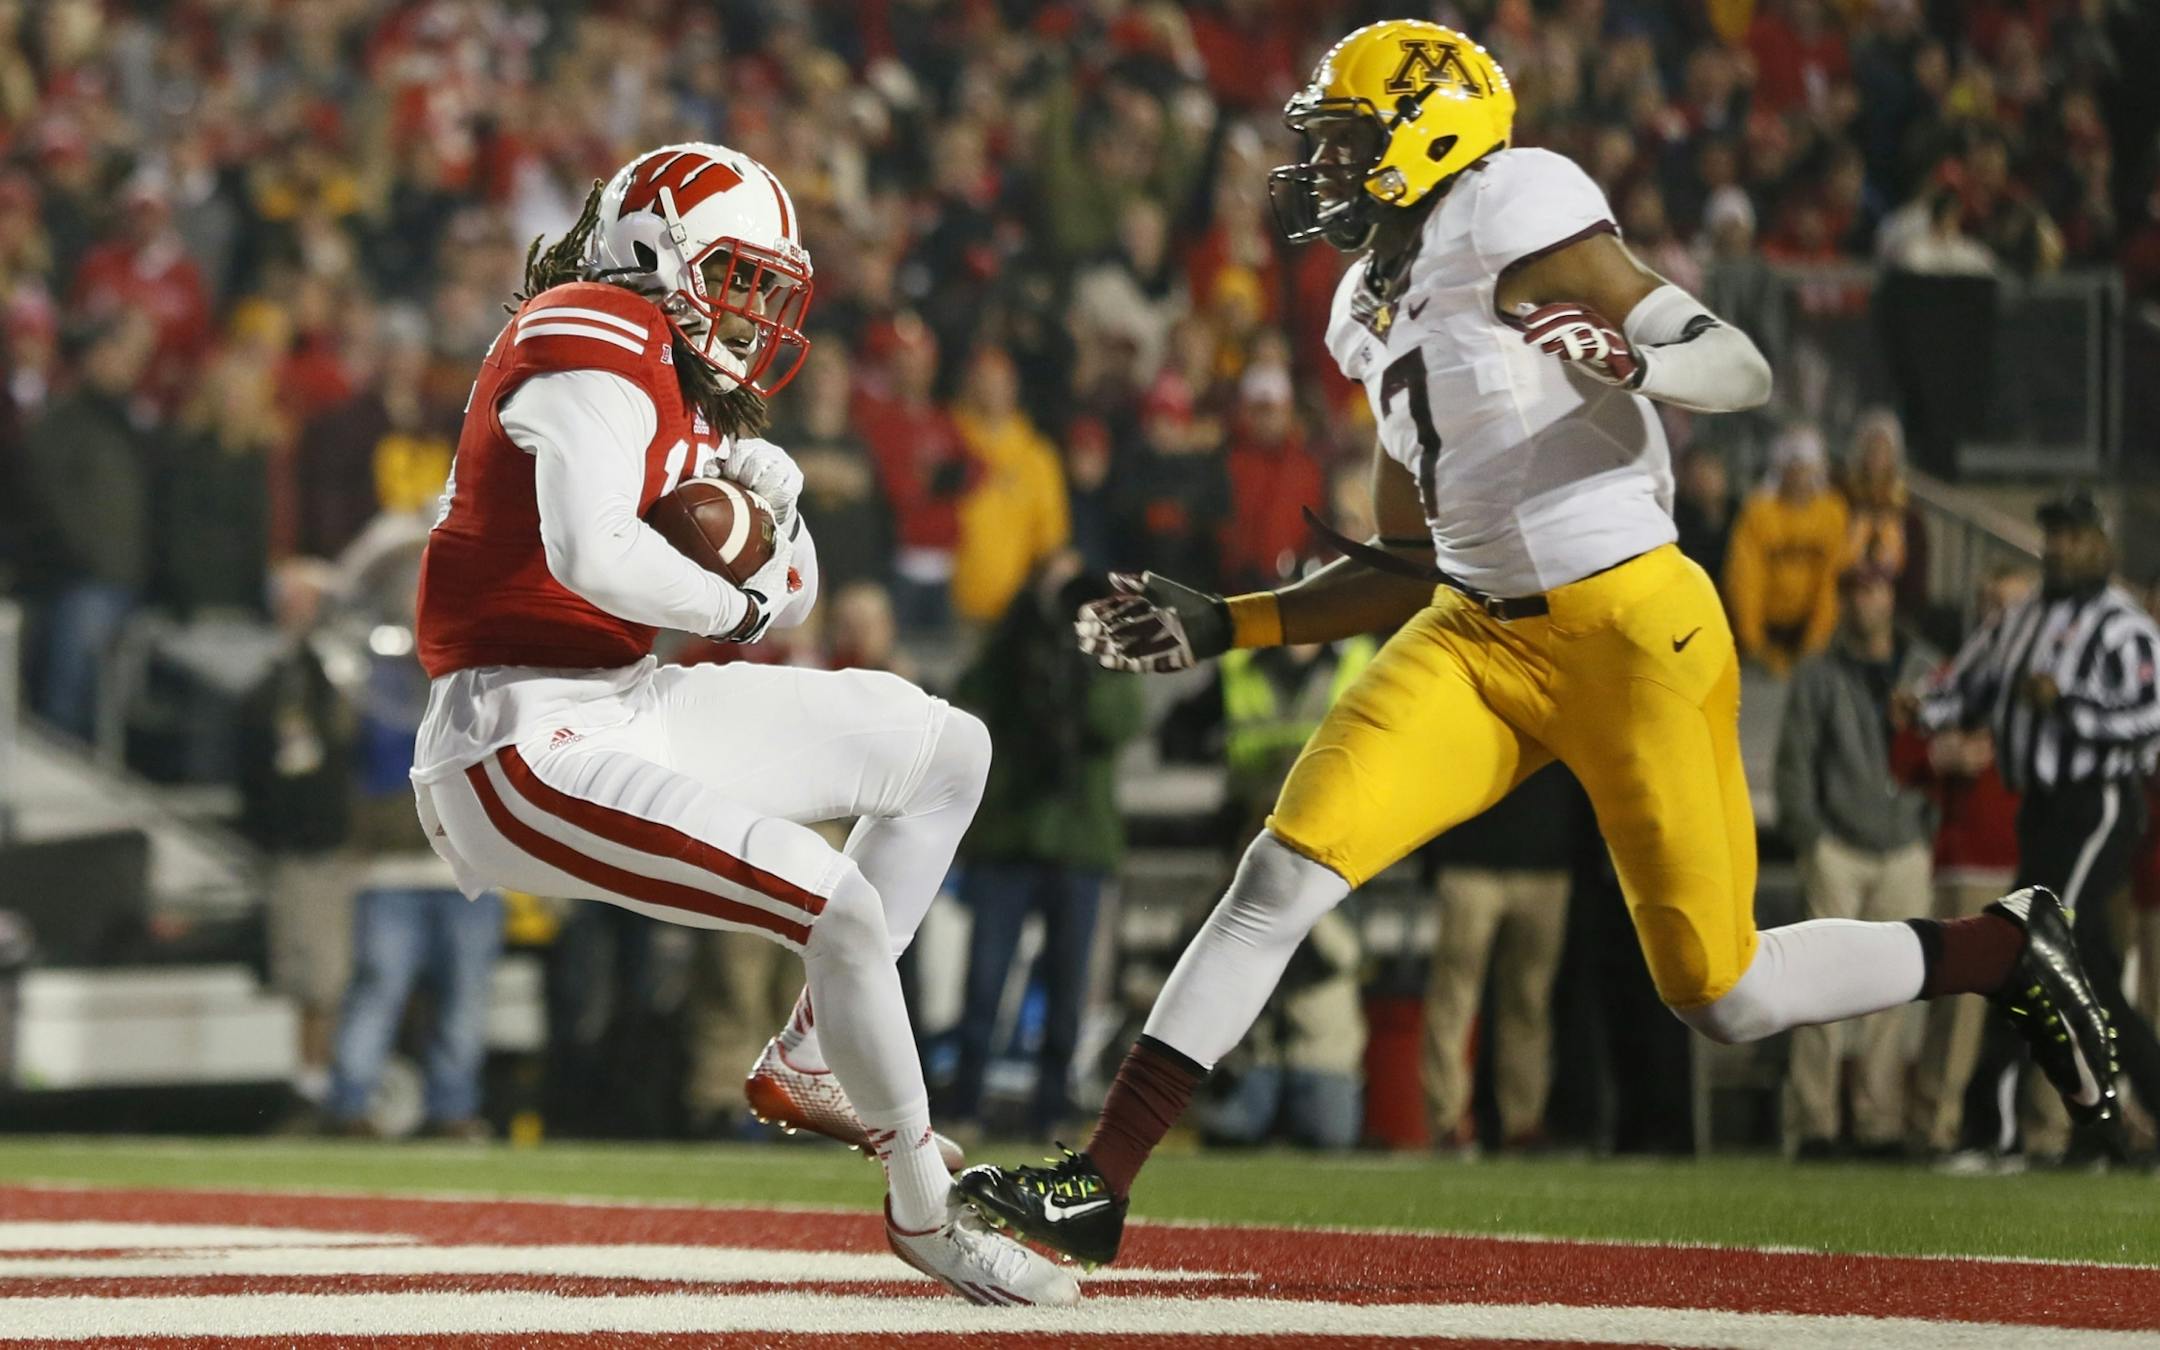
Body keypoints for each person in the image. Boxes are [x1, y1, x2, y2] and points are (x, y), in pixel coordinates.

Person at [954, 22, 2120, 1265]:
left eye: (1348, 141)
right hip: (1474, 635)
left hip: (1630, 628)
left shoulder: (1511, 205)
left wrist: (1634, 357)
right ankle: (1101, 1185)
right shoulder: (1365, 303)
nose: (1324, 168)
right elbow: (1407, 557)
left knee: (1724, 994)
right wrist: (1229, 622)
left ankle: (2005, 950)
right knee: (1280, 875)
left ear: (1429, 135)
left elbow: (1739, 366)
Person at [407, 143, 1075, 1306]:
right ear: (653, 253)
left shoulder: (676, 382)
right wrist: (738, 599)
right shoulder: (587, 327)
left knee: (943, 752)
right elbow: (592, 552)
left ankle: (812, 1054)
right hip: (510, 737)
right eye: (735, 275)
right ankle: (926, 1203)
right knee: (837, 902)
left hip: (621, 702)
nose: (752, 308)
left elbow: (797, 590)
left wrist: (771, 524)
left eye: (765, 285)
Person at [1913, 490, 2160, 1163]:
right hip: (2042, 811)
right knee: (2093, 974)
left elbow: (2148, 716)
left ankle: (1992, 1129)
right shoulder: (2020, 619)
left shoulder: (2125, 626)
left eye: (2073, 536)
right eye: (2053, 534)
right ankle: (2121, 1125)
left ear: (2101, 545)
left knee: (2027, 947)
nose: (2059, 548)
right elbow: (1969, 683)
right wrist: (1925, 709)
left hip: (2098, 803)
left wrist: (2070, 704)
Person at [944, 553, 1144, 1137]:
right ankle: (966, 1101)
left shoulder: (1108, 653)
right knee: (984, 982)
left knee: (1067, 987)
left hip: (1079, 841)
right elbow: (971, 691)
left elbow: (1119, 722)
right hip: (1009, 838)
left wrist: (1085, 656)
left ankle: (1051, 1107)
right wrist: (1023, 626)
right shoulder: (1015, 645)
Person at [1773, 566, 1938, 1159]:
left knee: (1894, 993)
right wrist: (1812, 839)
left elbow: (1942, 751)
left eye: (1873, 589)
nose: (1863, 602)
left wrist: (1927, 828)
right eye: (1853, 591)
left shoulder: (1925, 668)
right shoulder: (1819, 671)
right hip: (1838, 846)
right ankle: (1814, 1123)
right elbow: (1795, 762)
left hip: (1905, 844)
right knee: (1820, 989)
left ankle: (1879, 1124)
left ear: (1892, 596)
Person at [1422, 764, 1578, 1154]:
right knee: (1455, 1000)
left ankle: (1522, 1121)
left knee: (1529, 1002)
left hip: (1544, 861)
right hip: (1469, 860)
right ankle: (1448, 1121)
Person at [1724, 425, 1849, 676]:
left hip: (1808, 636)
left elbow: (1831, 581)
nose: (1799, 477)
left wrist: (1815, 642)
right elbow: (1745, 578)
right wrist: (1754, 642)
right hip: (1764, 635)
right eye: (1793, 468)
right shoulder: (1758, 512)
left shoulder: (1833, 513)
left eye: (1806, 469)